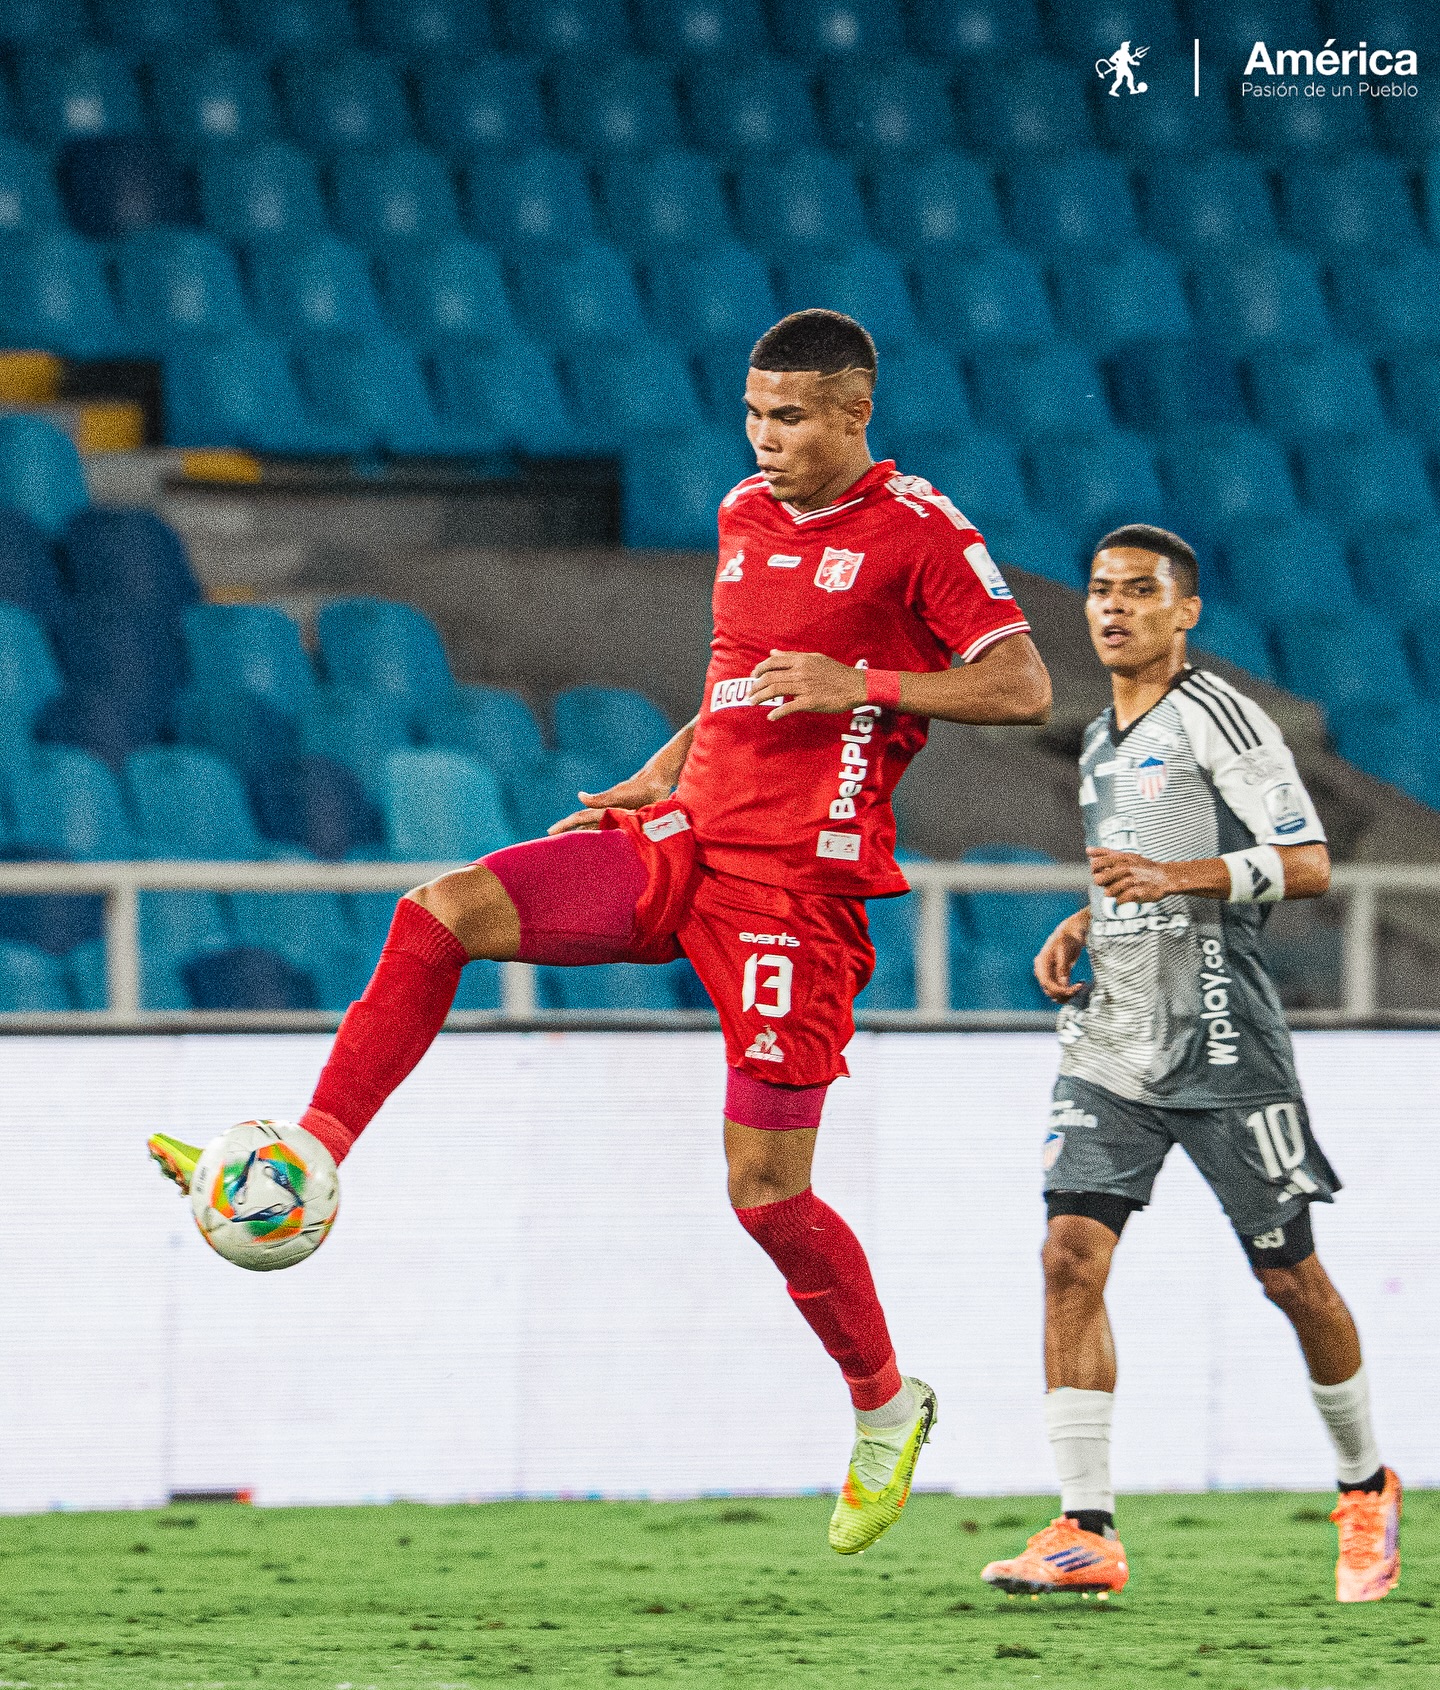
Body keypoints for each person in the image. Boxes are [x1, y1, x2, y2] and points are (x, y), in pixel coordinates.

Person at [149, 310, 1052, 1554]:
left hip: (799, 892)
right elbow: (738, 680)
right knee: (442, 911)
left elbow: (1023, 684)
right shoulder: (744, 515)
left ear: (857, 414)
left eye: (790, 418)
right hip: (686, 840)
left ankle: (887, 1405)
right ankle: (313, 1149)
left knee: (764, 1190)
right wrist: (661, 765)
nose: (765, 439)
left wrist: (872, 686)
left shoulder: (922, 536)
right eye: (753, 413)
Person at [980, 524, 1400, 1604]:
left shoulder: (1218, 715)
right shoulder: (1099, 742)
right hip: (1115, 1034)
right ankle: (1085, 1529)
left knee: (1287, 1275)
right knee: (1068, 1253)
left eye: (1138, 592)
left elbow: (1306, 864)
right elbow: (1141, 867)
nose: (1112, 608)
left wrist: (1178, 880)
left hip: (1221, 1039)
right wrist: (1090, 915)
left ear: (1186, 611)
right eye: (1100, 591)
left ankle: (1365, 1486)